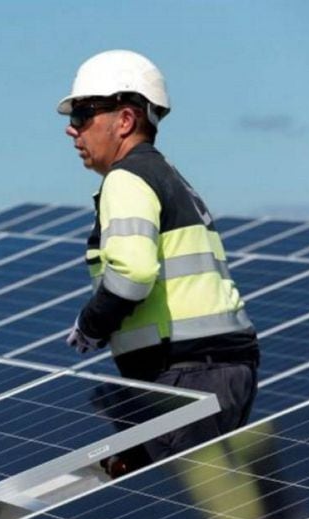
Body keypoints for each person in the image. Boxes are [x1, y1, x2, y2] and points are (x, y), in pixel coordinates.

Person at [60, 49, 259, 468]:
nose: (72, 130)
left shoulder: (127, 178)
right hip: (217, 371)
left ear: (126, 120)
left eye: (82, 114)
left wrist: (91, 324)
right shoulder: (165, 175)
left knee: (170, 514)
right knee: (166, 503)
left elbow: (132, 273)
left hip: (187, 372)